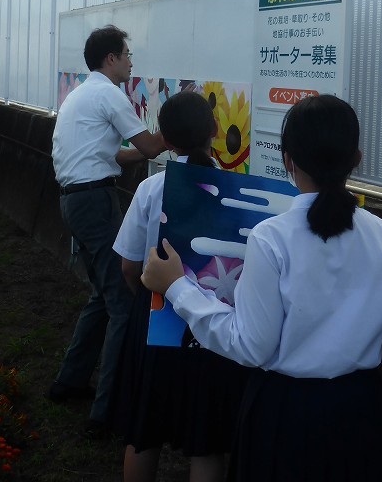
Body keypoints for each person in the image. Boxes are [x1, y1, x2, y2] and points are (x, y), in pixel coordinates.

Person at [142, 94, 382, 482]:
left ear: (288, 161)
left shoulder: (271, 237)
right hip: (362, 414)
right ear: (356, 158)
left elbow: (251, 345)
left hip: (285, 414)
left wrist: (178, 287)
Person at [113, 92, 248, 482]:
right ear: (215, 129)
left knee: (144, 430)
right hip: (217, 323)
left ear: (167, 141)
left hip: (156, 312)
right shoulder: (237, 191)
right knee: (206, 438)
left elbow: (129, 265)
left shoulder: (152, 188)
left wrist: (146, 298)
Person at [48, 25, 166, 438]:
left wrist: (152, 146)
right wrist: (182, 128)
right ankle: (107, 410)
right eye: (127, 54)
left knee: (102, 295)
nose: (132, 62)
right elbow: (149, 148)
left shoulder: (81, 94)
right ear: (111, 58)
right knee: (121, 301)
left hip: (74, 200)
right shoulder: (110, 94)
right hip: (94, 202)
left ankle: (69, 381)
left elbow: (115, 155)